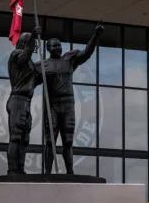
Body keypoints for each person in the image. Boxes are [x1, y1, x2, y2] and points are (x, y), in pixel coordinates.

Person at [37, 23, 104, 174]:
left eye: (59, 45)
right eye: (54, 46)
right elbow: (28, 79)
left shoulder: (69, 59)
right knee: (50, 141)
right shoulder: (43, 65)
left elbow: (87, 52)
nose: (58, 48)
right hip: (52, 105)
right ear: (48, 49)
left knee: (68, 141)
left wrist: (96, 36)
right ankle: (47, 172)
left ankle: (70, 172)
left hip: (67, 105)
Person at [6, 26, 42, 175]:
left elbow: (35, 80)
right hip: (17, 101)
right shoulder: (17, 55)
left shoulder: (31, 64)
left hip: (27, 102)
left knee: (25, 138)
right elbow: (26, 55)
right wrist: (34, 35)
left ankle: (20, 169)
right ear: (25, 43)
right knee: (16, 137)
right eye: (31, 43)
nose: (33, 48)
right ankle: (13, 170)